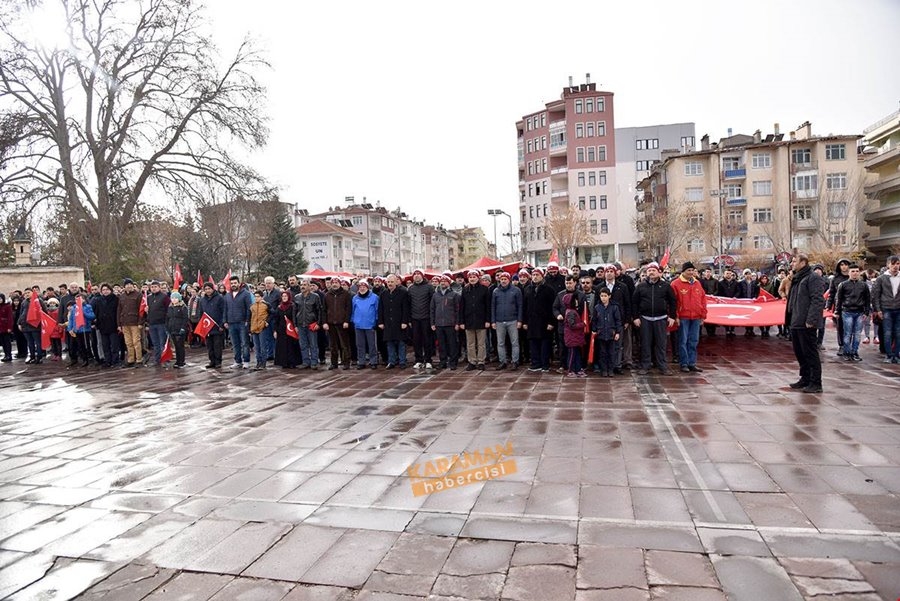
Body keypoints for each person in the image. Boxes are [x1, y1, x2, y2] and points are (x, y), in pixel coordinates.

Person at [786, 253, 827, 393]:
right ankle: (805, 378)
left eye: (794, 261)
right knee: (800, 352)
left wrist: (811, 320)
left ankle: (816, 382)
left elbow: (817, 300)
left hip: (806, 322)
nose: (791, 264)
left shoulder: (813, 277)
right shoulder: (797, 278)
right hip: (796, 321)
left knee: (810, 352)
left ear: (803, 262)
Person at [632, 262, 676, 376]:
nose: (651, 272)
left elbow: (672, 302)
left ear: (659, 273)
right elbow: (634, 303)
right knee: (645, 343)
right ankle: (645, 365)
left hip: (661, 319)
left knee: (661, 344)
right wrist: (636, 317)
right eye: (649, 271)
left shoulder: (666, 285)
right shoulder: (641, 286)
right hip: (645, 319)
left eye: (653, 270)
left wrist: (672, 316)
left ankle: (663, 366)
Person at [671, 261, 707, 373]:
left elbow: (703, 299)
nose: (691, 272)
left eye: (692, 270)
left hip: (696, 317)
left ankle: (692, 363)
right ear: (683, 271)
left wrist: (703, 314)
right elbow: (673, 302)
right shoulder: (675, 284)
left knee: (694, 340)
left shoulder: (697, 283)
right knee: (683, 340)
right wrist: (675, 315)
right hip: (683, 317)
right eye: (688, 270)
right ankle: (684, 363)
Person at [522, 267, 556, 372]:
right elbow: (524, 307)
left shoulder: (549, 289)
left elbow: (553, 307)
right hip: (532, 322)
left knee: (545, 344)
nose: (535, 277)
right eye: (533, 275)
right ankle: (536, 363)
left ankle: (545, 364)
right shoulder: (527, 289)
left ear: (542, 276)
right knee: (533, 343)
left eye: (537, 275)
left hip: (545, 322)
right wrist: (525, 321)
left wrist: (551, 322)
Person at [834, 263, 869, 362]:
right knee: (847, 333)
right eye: (853, 271)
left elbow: (867, 299)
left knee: (857, 334)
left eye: (857, 271)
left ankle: (854, 352)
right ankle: (847, 352)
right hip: (847, 311)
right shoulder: (843, 285)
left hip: (859, 312)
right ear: (849, 273)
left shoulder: (863, 285)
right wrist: (837, 311)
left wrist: (866, 312)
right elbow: (839, 299)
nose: (855, 273)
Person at [459, 270, 491, 371]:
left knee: (481, 343)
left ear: (478, 278)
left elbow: (488, 306)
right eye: (470, 277)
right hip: (468, 320)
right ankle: (472, 361)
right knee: (470, 343)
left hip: (481, 320)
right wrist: (461, 321)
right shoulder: (465, 290)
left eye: (474, 277)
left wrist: (487, 320)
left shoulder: (484, 289)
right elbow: (461, 307)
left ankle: (481, 361)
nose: (472, 279)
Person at [378, 274, 411, 369]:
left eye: (392, 282)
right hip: (388, 322)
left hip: (399, 322)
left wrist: (404, 321)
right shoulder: (383, 293)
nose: (390, 284)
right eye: (388, 282)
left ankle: (402, 361)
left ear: (396, 282)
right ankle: (391, 361)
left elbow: (405, 308)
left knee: (401, 343)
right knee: (389, 343)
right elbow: (381, 309)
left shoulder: (403, 293)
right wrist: (380, 322)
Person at [872, 255, 900, 364]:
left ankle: (896, 354)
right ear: (888, 265)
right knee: (887, 332)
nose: (895, 266)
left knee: (898, 333)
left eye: (897, 264)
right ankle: (889, 355)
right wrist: (878, 310)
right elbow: (876, 295)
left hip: (898, 308)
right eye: (893, 264)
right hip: (886, 308)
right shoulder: (881, 278)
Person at [491, 271, 522, 370]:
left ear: (509, 280)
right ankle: (502, 361)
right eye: (502, 279)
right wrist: (493, 321)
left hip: (513, 320)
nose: (503, 281)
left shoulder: (516, 290)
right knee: (500, 343)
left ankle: (515, 361)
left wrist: (520, 320)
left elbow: (520, 306)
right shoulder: (496, 291)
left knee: (515, 342)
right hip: (499, 321)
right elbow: (493, 307)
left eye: (505, 279)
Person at [430, 274, 461, 370]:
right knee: (441, 345)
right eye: (441, 281)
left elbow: (458, 310)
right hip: (439, 324)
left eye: (445, 281)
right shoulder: (435, 295)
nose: (443, 283)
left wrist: (457, 323)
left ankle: (453, 362)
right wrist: (432, 323)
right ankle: (443, 362)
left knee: (452, 344)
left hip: (450, 323)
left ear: (449, 283)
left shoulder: (454, 295)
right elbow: (432, 309)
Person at [323, 277, 352, 370]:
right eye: (333, 283)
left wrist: (346, 321)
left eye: (336, 282)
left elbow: (348, 309)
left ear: (339, 283)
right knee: (333, 345)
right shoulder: (327, 295)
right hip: (331, 323)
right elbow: (324, 310)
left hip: (342, 323)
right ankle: (333, 363)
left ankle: (346, 362)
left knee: (345, 344)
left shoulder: (346, 294)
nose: (334, 284)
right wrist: (324, 322)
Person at [223, 275, 253, 369]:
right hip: (231, 322)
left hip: (242, 322)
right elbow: (225, 309)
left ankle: (246, 361)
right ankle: (237, 361)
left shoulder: (246, 294)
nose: (233, 285)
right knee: (235, 343)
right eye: (231, 283)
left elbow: (249, 308)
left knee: (244, 343)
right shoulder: (227, 295)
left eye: (235, 283)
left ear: (239, 283)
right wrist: (225, 321)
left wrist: (247, 320)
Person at [293, 279, 323, 370]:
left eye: (305, 285)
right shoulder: (297, 297)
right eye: (301, 285)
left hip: (311, 323)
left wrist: (318, 323)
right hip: (300, 324)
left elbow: (319, 310)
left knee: (313, 344)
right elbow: (294, 312)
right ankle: (305, 362)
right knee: (303, 344)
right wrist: (295, 325)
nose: (302, 286)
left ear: (309, 286)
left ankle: (314, 362)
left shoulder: (315, 296)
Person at [591, 288, 622, 377]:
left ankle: (611, 369)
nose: (603, 298)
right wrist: (595, 330)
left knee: (612, 353)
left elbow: (618, 320)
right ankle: (604, 369)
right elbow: (594, 320)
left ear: (609, 296)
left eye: (605, 296)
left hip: (611, 334)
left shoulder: (614, 307)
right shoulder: (597, 307)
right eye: (602, 296)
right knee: (602, 353)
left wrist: (617, 332)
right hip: (601, 334)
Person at [408, 269, 434, 369]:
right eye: (415, 274)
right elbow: (408, 304)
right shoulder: (411, 288)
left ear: (422, 276)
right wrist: (409, 319)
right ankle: (418, 360)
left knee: (427, 340)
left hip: (426, 318)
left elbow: (432, 303)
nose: (416, 276)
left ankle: (428, 360)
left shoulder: (429, 287)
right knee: (416, 340)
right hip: (414, 318)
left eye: (419, 274)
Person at [826, 258, 852, 356]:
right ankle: (842, 345)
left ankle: (849, 345)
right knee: (840, 327)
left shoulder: (853, 277)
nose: (844, 267)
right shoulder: (835, 279)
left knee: (850, 328)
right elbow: (831, 293)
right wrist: (828, 305)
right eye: (842, 265)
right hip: (839, 306)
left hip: (852, 306)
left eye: (846, 264)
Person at [352, 279, 379, 369]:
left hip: (370, 324)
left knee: (372, 345)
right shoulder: (355, 298)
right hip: (358, 325)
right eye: (360, 287)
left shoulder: (374, 297)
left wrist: (376, 321)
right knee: (360, 345)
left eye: (364, 287)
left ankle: (373, 361)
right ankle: (361, 361)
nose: (362, 288)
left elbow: (377, 310)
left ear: (367, 287)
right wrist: (353, 320)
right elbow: (352, 310)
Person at [92, 283, 120, 368]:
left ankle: (115, 361)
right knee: (105, 345)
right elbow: (96, 313)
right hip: (103, 326)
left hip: (113, 325)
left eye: (107, 289)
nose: (105, 291)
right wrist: (95, 323)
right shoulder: (98, 300)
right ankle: (108, 361)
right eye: (103, 290)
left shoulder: (116, 299)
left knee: (114, 345)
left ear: (110, 290)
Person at [199, 282, 226, 369]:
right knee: (209, 346)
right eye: (206, 289)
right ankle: (212, 361)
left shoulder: (219, 298)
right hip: (207, 326)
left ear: (213, 289)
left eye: (209, 289)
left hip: (217, 326)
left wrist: (222, 324)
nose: (207, 291)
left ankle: (218, 362)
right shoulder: (202, 300)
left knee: (217, 345)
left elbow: (223, 311)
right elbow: (201, 313)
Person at [272, 290, 301, 368]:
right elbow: (276, 319)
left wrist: (295, 326)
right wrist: (275, 330)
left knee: (291, 346)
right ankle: (283, 363)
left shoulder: (292, 306)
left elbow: (295, 317)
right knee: (282, 347)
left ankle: (292, 362)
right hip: (281, 329)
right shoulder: (279, 307)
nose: (284, 298)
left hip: (290, 329)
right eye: (283, 296)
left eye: (286, 296)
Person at [145, 280, 170, 366]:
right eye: (152, 287)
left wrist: (166, 321)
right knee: (155, 344)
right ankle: (157, 360)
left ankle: (165, 359)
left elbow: (168, 310)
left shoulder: (164, 297)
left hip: (161, 323)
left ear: (159, 287)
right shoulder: (149, 297)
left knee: (162, 343)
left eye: (155, 287)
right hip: (152, 323)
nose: (154, 288)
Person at [66, 296, 95, 367]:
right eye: (76, 299)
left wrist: (83, 312)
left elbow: (92, 316)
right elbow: (71, 319)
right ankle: (83, 358)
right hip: (77, 329)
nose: (77, 300)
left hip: (85, 329)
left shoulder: (87, 307)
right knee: (80, 345)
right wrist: (70, 328)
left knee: (86, 344)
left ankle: (88, 358)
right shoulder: (74, 308)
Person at [562, 292, 587, 377]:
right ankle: (571, 370)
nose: (577, 301)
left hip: (575, 337)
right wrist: (582, 324)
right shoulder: (571, 312)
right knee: (572, 355)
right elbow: (572, 325)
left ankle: (577, 369)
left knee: (577, 354)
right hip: (572, 337)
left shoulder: (571, 311)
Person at [18, 286, 45, 364]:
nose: (27, 294)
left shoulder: (38, 301)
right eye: (25, 293)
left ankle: (39, 357)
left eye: (28, 292)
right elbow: (21, 313)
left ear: (32, 293)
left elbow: (45, 311)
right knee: (30, 343)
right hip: (25, 325)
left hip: (35, 325)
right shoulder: (23, 302)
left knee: (38, 342)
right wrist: (19, 323)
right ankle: (32, 357)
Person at [166, 291, 189, 368]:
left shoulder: (183, 307)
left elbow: (185, 319)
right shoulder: (170, 307)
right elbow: (168, 318)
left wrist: (183, 328)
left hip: (180, 329)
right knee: (176, 346)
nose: (174, 299)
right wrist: (167, 327)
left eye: (176, 298)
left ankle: (181, 361)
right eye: (172, 298)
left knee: (180, 346)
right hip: (172, 329)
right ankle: (178, 361)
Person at [249, 290, 269, 370]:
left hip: (262, 327)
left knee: (263, 346)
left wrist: (266, 321)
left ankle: (263, 363)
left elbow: (272, 313)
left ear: (261, 297)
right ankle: (258, 362)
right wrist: (249, 328)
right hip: (254, 327)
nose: (256, 298)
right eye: (255, 296)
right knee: (257, 347)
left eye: (258, 296)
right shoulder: (252, 306)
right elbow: (250, 317)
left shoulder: (266, 305)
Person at [736, 269, 759, 337]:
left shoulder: (754, 283)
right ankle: (747, 330)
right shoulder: (741, 283)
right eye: (746, 274)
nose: (747, 275)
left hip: (752, 301)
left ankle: (751, 330)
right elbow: (739, 292)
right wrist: (736, 298)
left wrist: (755, 297)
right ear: (744, 275)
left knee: (752, 316)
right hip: (744, 302)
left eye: (749, 274)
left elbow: (756, 292)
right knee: (746, 316)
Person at [716, 269, 739, 336]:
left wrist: (735, 296)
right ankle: (727, 330)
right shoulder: (720, 283)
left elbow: (738, 291)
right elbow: (719, 292)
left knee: (733, 316)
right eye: (727, 273)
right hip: (724, 303)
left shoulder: (736, 283)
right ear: (724, 274)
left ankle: (732, 329)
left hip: (733, 302)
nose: (728, 275)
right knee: (726, 316)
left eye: (730, 273)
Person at [700, 268, 719, 337]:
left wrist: (713, 295)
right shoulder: (701, 281)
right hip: (705, 301)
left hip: (713, 301)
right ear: (704, 273)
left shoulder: (715, 281)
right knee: (707, 315)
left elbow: (717, 290)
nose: (708, 273)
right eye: (707, 272)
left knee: (713, 315)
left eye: (709, 272)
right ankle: (707, 331)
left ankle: (713, 332)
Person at [0, 293, 12, 362]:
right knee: (3, 342)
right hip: (0, 327)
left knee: (7, 341)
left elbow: (10, 317)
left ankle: (9, 355)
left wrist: (9, 327)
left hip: (6, 326)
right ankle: (5, 354)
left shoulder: (7, 306)